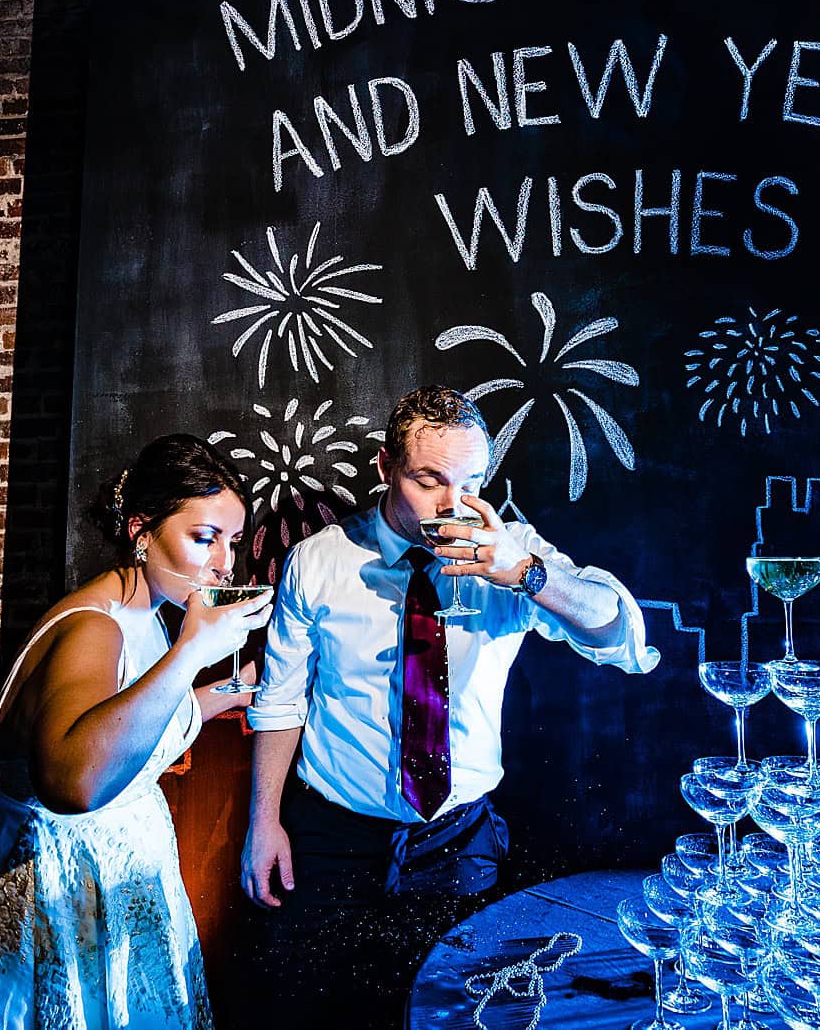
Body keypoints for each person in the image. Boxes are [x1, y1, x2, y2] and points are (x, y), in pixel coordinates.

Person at [240, 388, 656, 1029]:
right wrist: (262, 821)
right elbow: (282, 701)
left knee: (459, 1015)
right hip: (329, 838)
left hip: (458, 840)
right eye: (428, 480)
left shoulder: (513, 552)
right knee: (319, 1012)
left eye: (470, 482)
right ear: (384, 468)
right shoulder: (318, 562)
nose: (452, 505)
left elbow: (622, 639)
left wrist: (527, 574)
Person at [0, 434, 271, 1030]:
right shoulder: (93, 627)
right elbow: (76, 783)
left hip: (120, 890)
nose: (225, 563)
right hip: (58, 906)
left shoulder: (146, 610)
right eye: (205, 539)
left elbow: (144, 719)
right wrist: (193, 652)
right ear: (141, 530)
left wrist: (240, 687)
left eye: (233, 541)